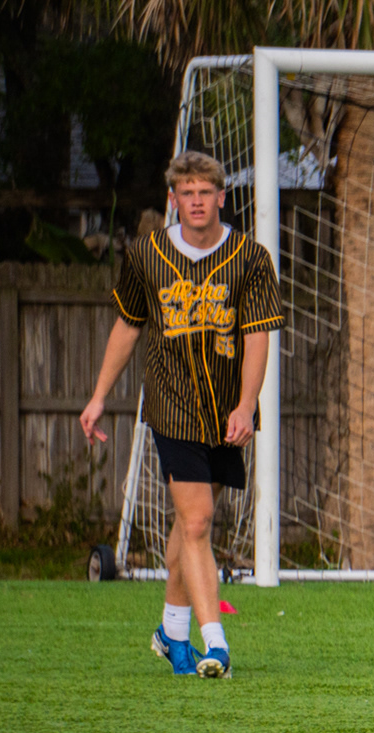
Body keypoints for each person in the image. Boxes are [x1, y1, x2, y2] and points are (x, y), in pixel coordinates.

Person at [80, 150, 283, 679]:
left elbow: (257, 336)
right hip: (172, 408)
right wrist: (100, 394)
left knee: (187, 529)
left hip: (226, 415)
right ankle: (215, 643)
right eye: (186, 193)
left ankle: (171, 633)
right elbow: (128, 326)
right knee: (196, 522)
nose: (196, 201)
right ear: (174, 199)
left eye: (205, 192)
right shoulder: (146, 255)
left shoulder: (250, 257)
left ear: (221, 196)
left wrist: (244, 404)